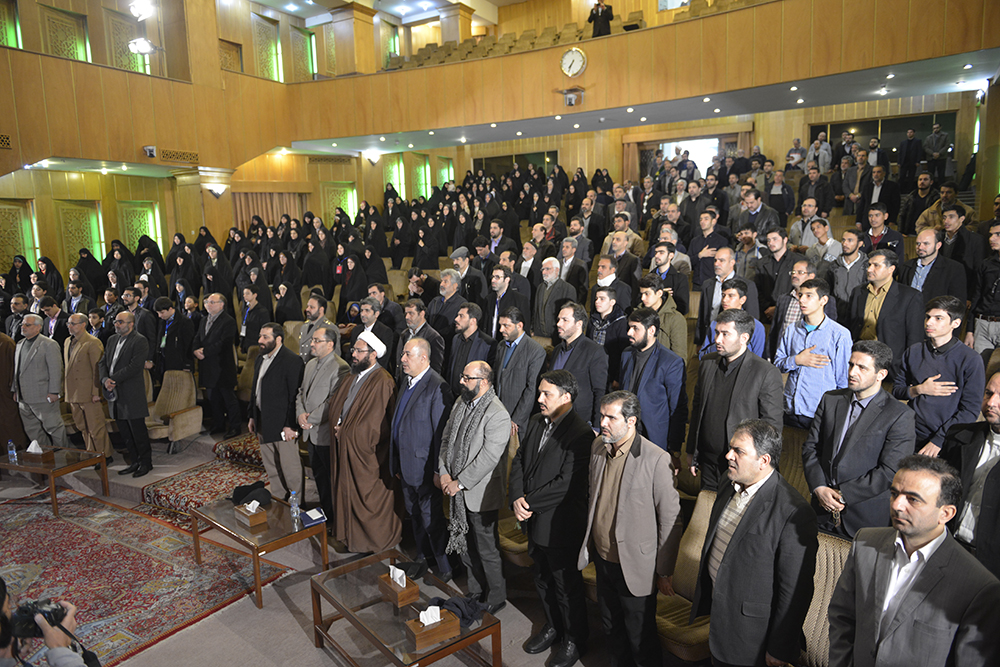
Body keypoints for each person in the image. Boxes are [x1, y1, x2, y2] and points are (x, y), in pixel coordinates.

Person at [827, 455, 1000, 667]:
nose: (897, 505)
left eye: (913, 499)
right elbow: (842, 616)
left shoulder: (979, 587)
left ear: (946, 513)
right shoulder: (865, 543)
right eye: (894, 494)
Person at [692, 419, 818, 667]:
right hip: (720, 619)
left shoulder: (794, 512)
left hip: (753, 639)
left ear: (764, 460)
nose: (728, 455)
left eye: (738, 451)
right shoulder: (727, 482)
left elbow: (795, 591)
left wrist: (779, 648)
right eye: (730, 448)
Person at [577, 391, 682, 667]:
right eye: (601, 416)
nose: (603, 423)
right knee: (611, 629)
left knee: (640, 639)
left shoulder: (656, 459)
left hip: (635, 565)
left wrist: (664, 571)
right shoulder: (598, 447)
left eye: (611, 417)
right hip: (603, 559)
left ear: (631, 421)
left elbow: (671, 520)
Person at [509, 370, 594, 667]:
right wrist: (516, 497)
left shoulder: (581, 433)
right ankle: (553, 626)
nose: (540, 398)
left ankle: (575, 639)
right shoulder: (535, 421)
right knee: (542, 578)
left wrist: (528, 503)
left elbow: (566, 483)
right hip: (533, 518)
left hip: (560, 523)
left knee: (566, 586)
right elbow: (519, 460)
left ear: (566, 397)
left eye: (547, 394)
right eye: (540, 392)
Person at [801, 340, 913, 537]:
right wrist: (819, 487)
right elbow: (811, 447)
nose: (852, 372)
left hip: (863, 519)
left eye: (862, 367)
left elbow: (890, 471)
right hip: (821, 509)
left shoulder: (899, 415)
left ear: (881, 374)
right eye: (851, 365)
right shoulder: (831, 399)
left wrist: (843, 495)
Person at [439, 360, 511, 614]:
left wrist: (459, 483)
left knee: (486, 547)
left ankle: (497, 595)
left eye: (467, 378)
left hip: (480, 493)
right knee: (466, 543)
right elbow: (446, 439)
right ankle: (476, 588)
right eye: (462, 376)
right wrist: (444, 473)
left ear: (484, 382)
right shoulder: (461, 402)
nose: (461, 381)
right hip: (455, 488)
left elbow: (488, 458)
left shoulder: (498, 413)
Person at [687, 309, 783, 491]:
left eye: (725, 334)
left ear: (744, 338)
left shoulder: (765, 372)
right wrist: (692, 451)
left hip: (742, 467)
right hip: (708, 462)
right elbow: (698, 409)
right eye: (717, 333)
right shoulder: (707, 363)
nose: (717, 340)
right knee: (707, 507)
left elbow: (772, 427)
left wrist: (758, 469)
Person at [326, 330, 401, 553]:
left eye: (359, 351)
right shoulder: (352, 375)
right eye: (354, 350)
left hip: (366, 455)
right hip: (345, 447)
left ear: (373, 354)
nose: (354, 354)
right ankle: (349, 537)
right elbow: (338, 406)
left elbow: (375, 424)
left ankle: (369, 542)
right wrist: (339, 426)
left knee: (368, 498)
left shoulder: (382, 381)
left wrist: (346, 433)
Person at [391, 337, 453, 579]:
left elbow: (442, 435)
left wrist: (439, 470)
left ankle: (445, 567)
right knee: (415, 514)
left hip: (425, 469)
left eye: (408, 354)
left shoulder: (437, 386)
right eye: (403, 354)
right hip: (405, 466)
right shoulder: (406, 381)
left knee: (431, 519)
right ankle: (422, 557)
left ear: (423, 358)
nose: (402, 359)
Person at [894, 296, 984, 457]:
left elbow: (970, 410)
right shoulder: (914, 351)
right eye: (928, 317)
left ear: (955, 323)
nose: (929, 322)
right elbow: (896, 390)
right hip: (908, 430)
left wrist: (939, 440)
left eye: (938, 318)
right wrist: (918, 389)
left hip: (945, 439)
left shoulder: (970, 359)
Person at [773, 278, 852, 429]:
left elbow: (843, 380)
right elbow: (777, 364)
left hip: (819, 411)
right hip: (790, 408)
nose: (802, 300)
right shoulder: (792, 329)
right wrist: (796, 360)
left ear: (823, 300)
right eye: (800, 295)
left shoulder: (840, 334)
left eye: (809, 296)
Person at [943, 371, 1000, 578]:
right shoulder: (958, 436)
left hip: (990, 566)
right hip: (947, 547)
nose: (991, 402)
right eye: (988, 393)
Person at [296, 324, 350, 523]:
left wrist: (309, 419)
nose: (312, 344)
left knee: (330, 480)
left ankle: (336, 520)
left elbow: (333, 402)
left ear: (330, 344)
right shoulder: (310, 364)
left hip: (325, 434)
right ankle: (325, 515)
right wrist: (300, 415)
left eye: (317, 340)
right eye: (312, 340)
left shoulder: (341, 367)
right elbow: (301, 393)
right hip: (310, 433)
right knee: (319, 477)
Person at [248, 323, 305, 500]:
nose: (260, 340)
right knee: (271, 466)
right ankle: (280, 500)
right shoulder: (260, 358)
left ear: (278, 339)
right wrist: (252, 416)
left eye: (265, 337)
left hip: (283, 425)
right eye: (260, 336)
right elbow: (255, 389)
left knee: (290, 468)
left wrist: (291, 425)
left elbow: (295, 396)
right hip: (263, 421)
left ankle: (296, 503)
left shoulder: (292, 360)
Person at [620, 308, 687, 455]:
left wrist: (675, 447)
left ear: (651, 330)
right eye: (629, 327)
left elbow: (678, 407)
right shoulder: (626, 354)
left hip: (653, 439)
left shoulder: (671, 362)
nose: (629, 333)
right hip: (625, 434)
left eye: (635, 328)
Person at [848, 249, 924, 374]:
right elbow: (850, 325)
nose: (869, 269)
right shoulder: (858, 292)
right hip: (858, 360)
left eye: (876, 265)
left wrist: (908, 367)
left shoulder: (910, 296)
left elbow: (914, 337)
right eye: (869, 265)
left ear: (891, 269)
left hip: (891, 365)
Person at [99, 311, 152, 477]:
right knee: (124, 432)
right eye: (116, 321)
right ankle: (134, 461)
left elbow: (135, 366)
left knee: (138, 431)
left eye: (120, 322)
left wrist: (112, 379)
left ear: (131, 324)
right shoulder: (112, 339)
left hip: (131, 392)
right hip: (114, 392)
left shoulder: (139, 340)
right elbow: (103, 362)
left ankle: (146, 463)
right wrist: (104, 379)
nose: (116, 324)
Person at [13, 314, 69, 449]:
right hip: (23, 396)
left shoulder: (49, 344)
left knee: (54, 428)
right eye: (22, 324)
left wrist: (54, 391)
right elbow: (17, 370)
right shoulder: (20, 344)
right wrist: (15, 390)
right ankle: (45, 455)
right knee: (32, 430)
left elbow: (56, 370)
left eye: (27, 325)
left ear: (38, 327)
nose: (23, 327)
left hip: (43, 395)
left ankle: (63, 455)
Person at [549, 303, 608, 429]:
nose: (558, 324)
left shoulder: (594, 351)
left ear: (579, 324)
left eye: (565, 320)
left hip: (578, 422)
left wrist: (597, 427)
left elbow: (600, 391)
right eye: (558, 319)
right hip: (553, 418)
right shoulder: (557, 349)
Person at [63, 313, 112, 462]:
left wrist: (96, 392)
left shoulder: (92, 342)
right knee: (82, 426)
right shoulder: (67, 341)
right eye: (68, 324)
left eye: (73, 323)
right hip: (73, 392)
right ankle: (92, 453)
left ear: (83, 324)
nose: (70, 326)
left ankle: (105, 455)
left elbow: (97, 370)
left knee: (95, 426)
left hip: (89, 392)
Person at [193, 294, 241, 439]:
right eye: (207, 302)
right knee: (213, 398)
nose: (208, 304)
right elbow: (198, 337)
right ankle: (218, 424)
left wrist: (205, 351)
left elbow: (224, 343)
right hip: (207, 366)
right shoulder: (204, 319)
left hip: (222, 366)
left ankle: (235, 427)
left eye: (212, 302)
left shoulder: (228, 321)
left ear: (221, 304)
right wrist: (195, 350)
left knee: (228, 399)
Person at [495, 307, 546, 437]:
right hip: (497, 414)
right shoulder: (501, 346)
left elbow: (531, 389)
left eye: (506, 326)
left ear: (519, 326)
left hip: (516, 421)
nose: (501, 330)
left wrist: (516, 419)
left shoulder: (535, 351)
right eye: (500, 325)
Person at [896, 229, 967, 305]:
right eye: (918, 243)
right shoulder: (906, 267)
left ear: (938, 245)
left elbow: (957, 302)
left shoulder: (953, 269)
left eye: (926, 244)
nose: (920, 247)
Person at [446, 302, 496, 398]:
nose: (456, 319)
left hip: (473, 396)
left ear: (473, 321)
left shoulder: (488, 343)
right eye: (457, 315)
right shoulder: (456, 339)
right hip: (452, 396)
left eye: (461, 316)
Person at [395, 299, 445, 381]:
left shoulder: (433, 337)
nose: (407, 317)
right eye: (406, 313)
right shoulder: (404, 334)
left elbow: (435, 369)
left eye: (411, 313)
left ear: (422, 314)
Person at [483, 265, 531, 340]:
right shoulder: (488, 299)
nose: (493, 280)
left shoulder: (520, 300)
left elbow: (525, 328)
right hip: (489, 343)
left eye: (497, 277)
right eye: (492, 277)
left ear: (507, 279)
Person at [534, 258, 576, 340]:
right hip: (539, 334)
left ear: (557, 270)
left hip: (557, 336)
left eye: (547, 269)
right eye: (542, 269)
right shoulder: (540, 287)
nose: (543, 272)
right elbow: (536, 310)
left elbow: (569, 316)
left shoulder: (568, 289)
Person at [299, 293, 339, 363]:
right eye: (307, 306)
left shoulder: (329, 327)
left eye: (312, 307)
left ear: (321, 309)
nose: (307, 309)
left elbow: (336, 354)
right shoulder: (304, 326)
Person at [427, 269, 465, 340]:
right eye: (441, 281)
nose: (441, 284)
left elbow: (457, 329)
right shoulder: (435, 301)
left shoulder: (462, 305)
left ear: (455, 285)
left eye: (445, 281)